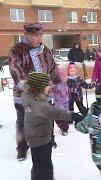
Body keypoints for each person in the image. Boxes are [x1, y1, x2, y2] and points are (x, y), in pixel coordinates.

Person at [9, 22, 59, 161]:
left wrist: (57, 84)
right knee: (22, 121)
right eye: (33, 35)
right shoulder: (18, 49)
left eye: (40, 35)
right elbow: (14, 68)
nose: (37, 38)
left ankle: (49, 139)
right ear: (26, 35)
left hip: (44, 93)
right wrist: (25, 85)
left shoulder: (46, 50)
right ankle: (22, 147)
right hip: (24, 94)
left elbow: (53, 68)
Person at [21, 72, 84, 180]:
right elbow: (57, 113)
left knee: (38, 164)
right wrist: (74, 116)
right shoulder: (39, 104)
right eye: (47, 85)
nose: (49, 87)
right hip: (40, 139)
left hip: (35, 136)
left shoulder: (30, 97)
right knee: (45, 168)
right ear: (39, 87)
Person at [51, 64, 70, 136]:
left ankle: (65, 129)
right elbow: (51, 92)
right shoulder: (54, 84)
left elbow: (68, 92)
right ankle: (60, 124)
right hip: (57, 103)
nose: (64, 78)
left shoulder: (65, 83)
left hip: (64, 104)